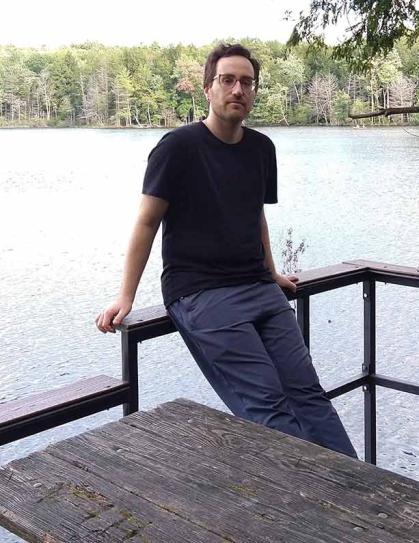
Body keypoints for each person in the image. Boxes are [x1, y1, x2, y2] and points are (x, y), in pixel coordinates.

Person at [95, 43, 357, 458]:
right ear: (208, 89)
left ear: (254, 91)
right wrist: (125, 296)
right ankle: (303, 509)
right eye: (228, 80)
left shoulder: (261, 148)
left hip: (259, 287)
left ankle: (359, 494)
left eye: (247, 82)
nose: (238, 89)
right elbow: (147, 222)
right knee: (269, 407)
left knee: (309, 393)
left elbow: (255, 217)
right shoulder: (178, 147)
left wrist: (271, 273)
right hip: (201, 292)